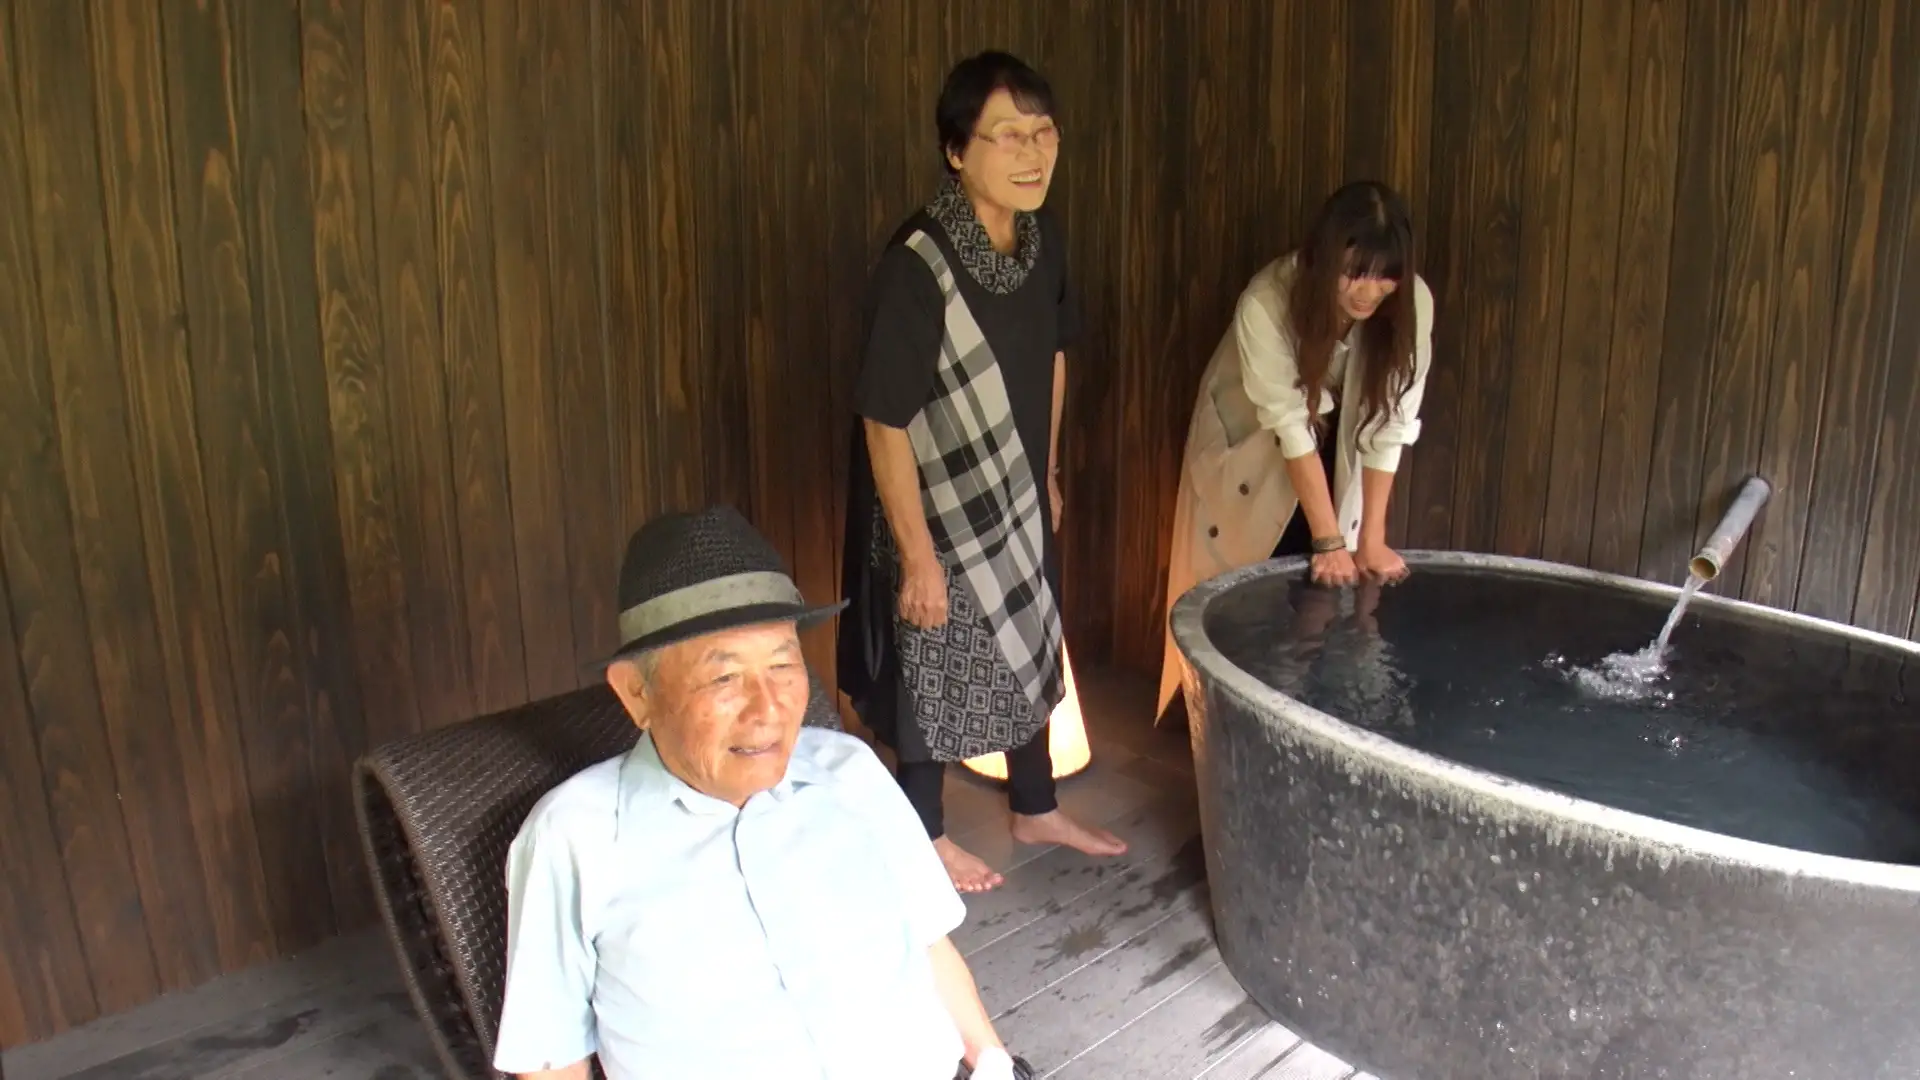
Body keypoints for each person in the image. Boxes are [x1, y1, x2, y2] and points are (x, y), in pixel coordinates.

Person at [492, 506, 1033, 1080]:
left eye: (782, 664)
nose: (768, 709)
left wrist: (995, 1062)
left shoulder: (850, 772)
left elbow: (927, 942)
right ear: (636, 693)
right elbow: (552, 1060)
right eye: (724, 677)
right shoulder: (575, 837)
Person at [837, 50, 1126, 894]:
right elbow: (884, 418)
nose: (1032, 153)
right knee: (931, 662)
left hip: (1020, 485)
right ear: (957, 151)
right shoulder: (917, 263)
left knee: (1032, 628)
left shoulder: (1043, 240)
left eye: (1044, 133)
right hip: (932, 500)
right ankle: (923, 835)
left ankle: (1034, 806)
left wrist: (1049, 468)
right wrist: (916, 554)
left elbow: (1058, 356)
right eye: (1008, 135)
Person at [1155, 181, 1435, 721]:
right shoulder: (1267, 300)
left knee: (1325, 601)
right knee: (1249, 604)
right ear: (1324, 257)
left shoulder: (1412, 303)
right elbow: (1289, 426)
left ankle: (1302, 716)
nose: (1369, 291)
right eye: (1354, 271)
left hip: (1335, 446)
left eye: (1386, 275)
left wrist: (1371, 540)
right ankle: (1231, 728)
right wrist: (1329, 540)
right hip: (1255, 449)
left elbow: (1393, 421)